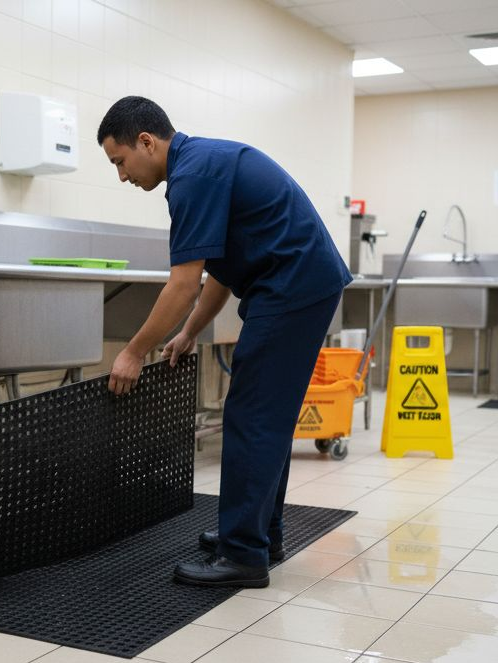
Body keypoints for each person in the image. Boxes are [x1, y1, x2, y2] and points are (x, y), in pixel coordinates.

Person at [97, 96, 352, 588]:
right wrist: (190, 331)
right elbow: (217, 274)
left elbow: (183, 283)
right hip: (296, 284)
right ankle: (258, 534)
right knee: (266, 419)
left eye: (120, 161)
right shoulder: (202, 164)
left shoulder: (192, 177)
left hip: (293, 287)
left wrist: (133, 352)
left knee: (252, 417)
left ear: (146, 143)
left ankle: (243, 555)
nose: (122, 176)